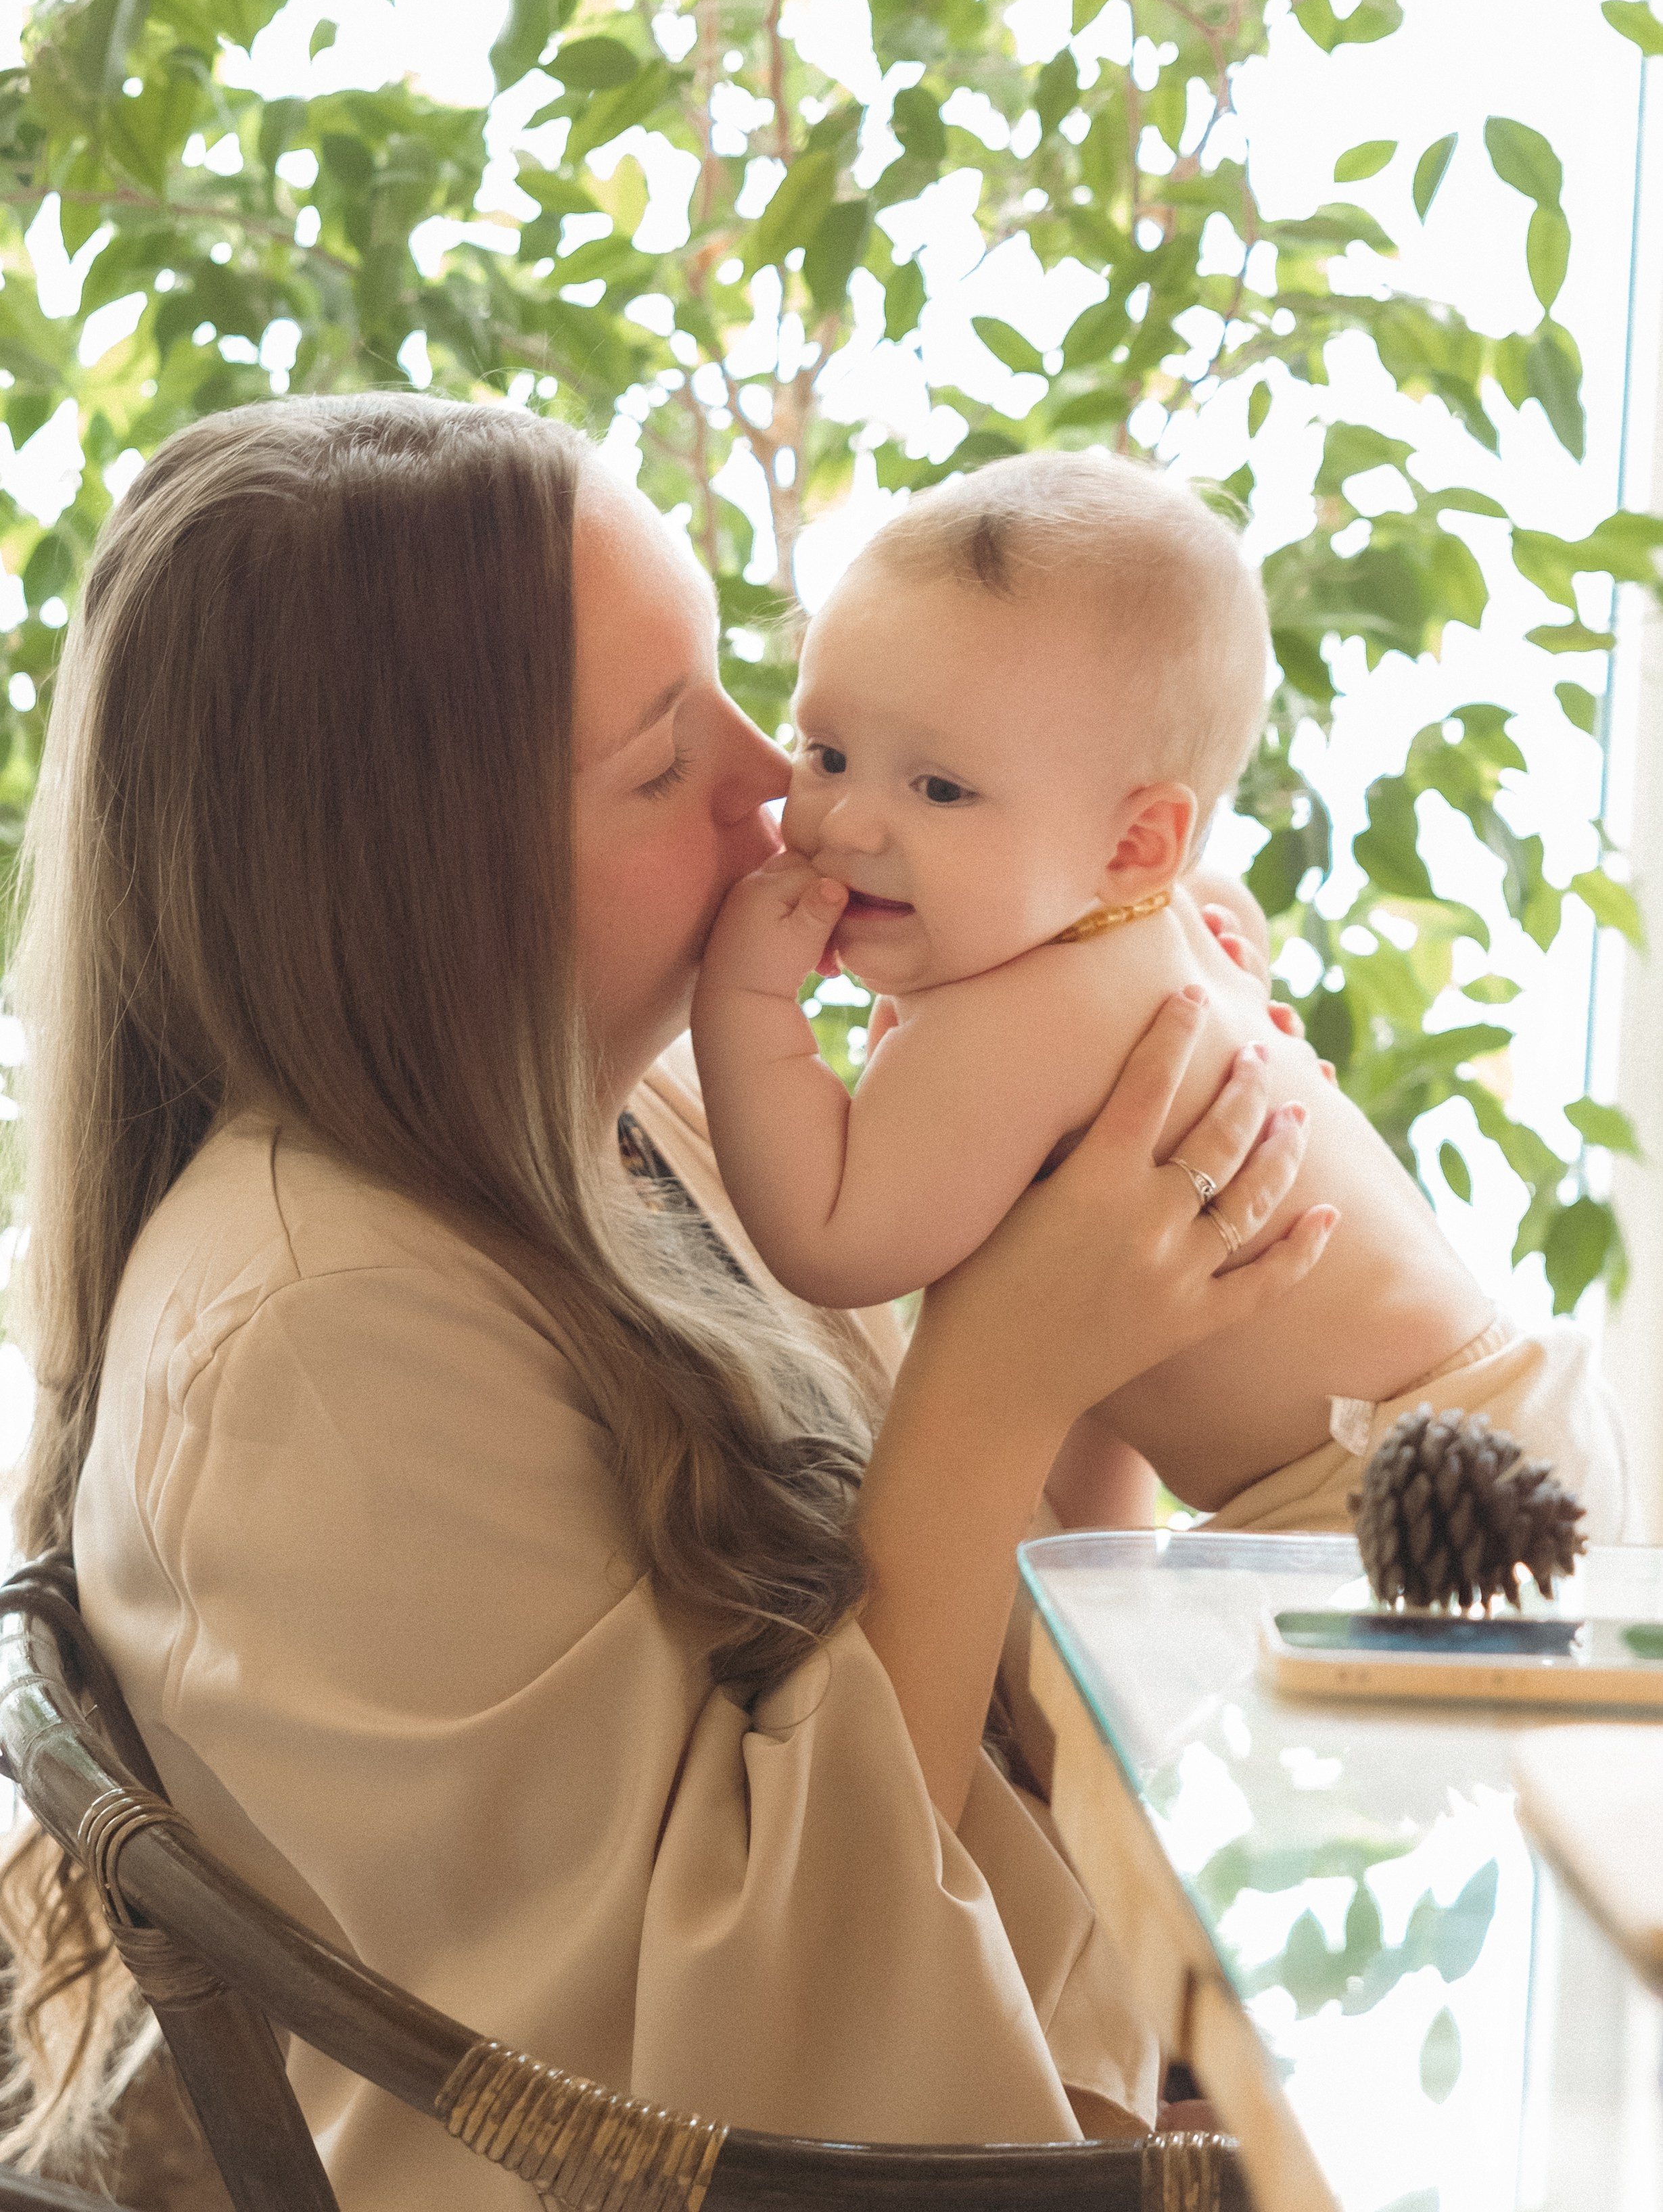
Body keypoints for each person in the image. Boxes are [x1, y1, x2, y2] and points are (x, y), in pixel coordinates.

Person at [0, 396, 1334, 2205]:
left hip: (1029, 2071)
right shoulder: (319, 1349)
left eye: (739, 691)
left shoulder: (637, 1130)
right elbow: (725, 2063)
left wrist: (1088, 1201)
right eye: (654, 761)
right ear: (414, 883)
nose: (771, 787)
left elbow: (979, 1681)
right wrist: (999, 1374)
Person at [692, 450, 1627, 1537]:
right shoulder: (1153, 917)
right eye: (829, 751)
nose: (844, 824)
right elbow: (1217, 895)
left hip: (1382, 1502)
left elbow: (832, 1239)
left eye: (939, 787)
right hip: (1487, 1420)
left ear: (1136, 843)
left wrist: (745, 1005)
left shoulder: (1012, 1022)